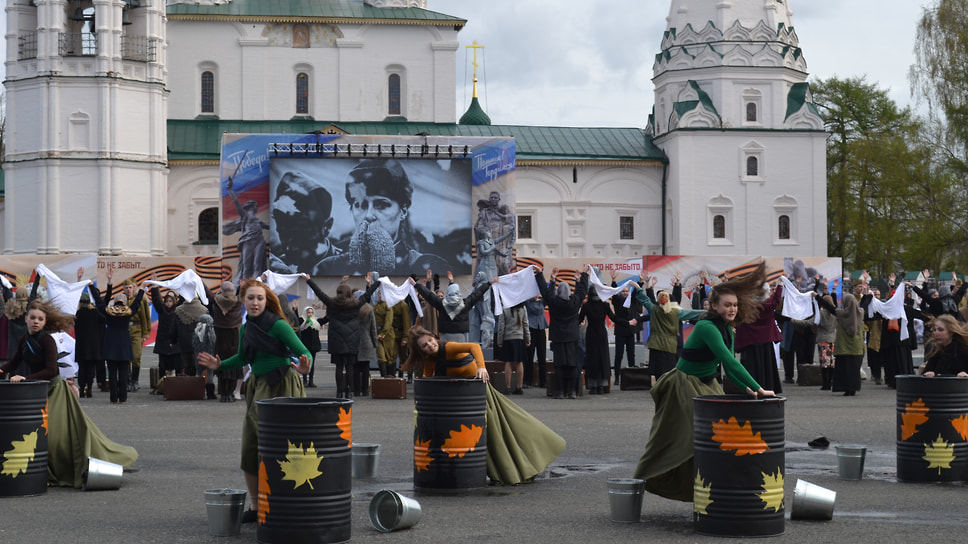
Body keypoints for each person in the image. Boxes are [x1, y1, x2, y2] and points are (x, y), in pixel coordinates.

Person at [632, 262, 775, 501]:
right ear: (715, 306)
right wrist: (760, 388)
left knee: (712, 440)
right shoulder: (708, 326)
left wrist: (749, 390)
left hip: (708, 386)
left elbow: (728, 369)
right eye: (727, 305)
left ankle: (707, 491)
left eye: (735, 305)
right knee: (673, 438)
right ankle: (638, 483)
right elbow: (730, 362)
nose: (732, 309)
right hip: (684, 385)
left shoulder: (727, 329)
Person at [198, 279, 311, 522]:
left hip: (283, 386)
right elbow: (242, 358)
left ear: (266, 300)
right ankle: (257, 506)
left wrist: (303, 367)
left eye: (260, 298)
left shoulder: (279, 325)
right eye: (251, 298)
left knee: (287, 449)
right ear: (243, 300)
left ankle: (292, 504)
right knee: (250, 449)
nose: (255, 302)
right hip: (258, 388)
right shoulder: (245, 328)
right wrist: (219, 365)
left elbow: (305, 352)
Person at [1, 298, 138, 488]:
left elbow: (51, 370)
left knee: (55, 436)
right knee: (46, 435)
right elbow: (14, 362)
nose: (36, 322)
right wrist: (2, 370)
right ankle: (47, 471)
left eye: (40, 319)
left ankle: (62, 470)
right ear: (26, 319)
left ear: (44, 321)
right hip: (39, 391)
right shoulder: (24, 339)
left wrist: (26, 378)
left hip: (56, 391)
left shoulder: (47, 340)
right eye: (32, 318)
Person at [403, 325, 564, 485]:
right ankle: (508, 470)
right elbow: (428, 381)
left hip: (480, 393)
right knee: (489, 436)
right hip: (465, 400)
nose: (430, 345)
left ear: (434, 337)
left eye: (430, 340)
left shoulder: (449, 347)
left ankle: (521, 467)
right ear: (421, 350)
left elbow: (474, 346)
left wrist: (481, 367)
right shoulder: (431, 360)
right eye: (425, 345)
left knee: (498, 432)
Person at [317, 159, 449, 275]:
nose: (368, 216)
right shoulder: (329, 267)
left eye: (381, 205)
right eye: (360, 205)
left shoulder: (427, 267)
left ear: (403, 211)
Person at [305, 273, 379, 399]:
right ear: (350, 293)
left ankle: (339, 391)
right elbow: (367, 296)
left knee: (339, 367)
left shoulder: (331, 303)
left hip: (336, 339)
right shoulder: (355, 304)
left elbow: (319, 292)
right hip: (352, 339)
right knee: (350, 367)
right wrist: (374, 284)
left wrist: (309, 280)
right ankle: (348, 391)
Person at [634, 272, 705, 380]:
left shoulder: (654, 310)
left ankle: (659, 390)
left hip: (656, 346)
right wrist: (712, 312)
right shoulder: (676, 312)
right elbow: (694, 313)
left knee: (658, 373)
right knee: (670, 372)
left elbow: (646, 300)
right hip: (670, 346)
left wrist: (638, 288)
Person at [269, 171, 341, 275]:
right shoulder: (276, 269)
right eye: (282, 232)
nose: (289, 247)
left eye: (301, 232)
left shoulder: (346, 265)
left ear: (327, 227)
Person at [534, 265, 589, 399]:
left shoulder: (554, 302)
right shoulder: (574, 302)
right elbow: (581, 292)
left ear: (558, 292)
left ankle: (559, 391)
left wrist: (545, 276)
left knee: (559, 364)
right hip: (572, 336)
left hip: (558, 337)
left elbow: (545, 291)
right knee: (571, 364)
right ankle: (572, 392)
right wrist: (583, 277)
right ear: (569, 292)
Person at [93, 274, 146, 405]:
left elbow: (99, 302)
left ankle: (113, 396)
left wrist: (91, 286)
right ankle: (123, 397)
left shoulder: (108, 312)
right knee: (123, 373)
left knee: (111, 373)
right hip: (124, 345)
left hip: (110, 344)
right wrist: (142, 288)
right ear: (125, 302)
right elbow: (137, 303)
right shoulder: (128, 312)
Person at [733, 278, 784, 393]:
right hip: (765, 341)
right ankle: (768, 387)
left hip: (749, 341)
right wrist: (779, 286)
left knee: (751, 367)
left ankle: (751, 388)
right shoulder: (768, 305)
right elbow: (776, 300)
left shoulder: (746, 306)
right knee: (767, 366)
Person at [413, 271, 492, 343]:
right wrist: (488, 283)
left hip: (445, 337)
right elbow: (477, 294)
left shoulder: (442, 304)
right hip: (461, 337)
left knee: (447, 356)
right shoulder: (465, 304)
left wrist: (416, 285)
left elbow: (429, 296)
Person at [815, 291, 866, 396]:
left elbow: (829, 307)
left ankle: (846, 388)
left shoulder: (842, 314)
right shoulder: (861, 313)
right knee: (854, 370)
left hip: (844, 348)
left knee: (845, 369)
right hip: (857, 348)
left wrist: (817, 296)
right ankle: (853, 389)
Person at [580, 284, 626, 394]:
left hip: (591, 334)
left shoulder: (586, 306)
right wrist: (627, 323)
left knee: (592, 359)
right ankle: (602, 385)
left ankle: (593, 386)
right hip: (601, 334)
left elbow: (579, 319)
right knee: (602, 359)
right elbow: (614, 318)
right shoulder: (604, 305)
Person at [223, 177, 269, 282]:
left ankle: (258, 284)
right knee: (246, 267)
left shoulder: (258, 221)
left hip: (259, 242)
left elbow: (271, 227)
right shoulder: (245, 216)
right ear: (252, 207)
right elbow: (236, 203)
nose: (256, 207)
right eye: (254, 206)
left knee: (257, 266)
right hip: (247, 242)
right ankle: (243, 287)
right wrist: (230, 190)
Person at [170, 296, 215, 399]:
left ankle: (190, 391)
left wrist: (173, 341)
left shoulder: (179, 310)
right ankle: (209, 392)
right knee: (203, 368)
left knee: (187, 367)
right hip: (201, 344)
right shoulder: (204, 310)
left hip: (184, 343)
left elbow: (174, 327)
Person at [208, 281, 244, 402]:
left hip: (220, 337)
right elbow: (243, 293)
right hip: (234, 337)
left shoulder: (216, 300)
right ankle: (230, 394)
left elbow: (208, 293)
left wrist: (198, 279)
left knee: (221, 364)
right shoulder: (238, 301)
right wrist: (241, 286)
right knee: (233, 365)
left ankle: (223, 394)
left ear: (222, 290)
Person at [74, 291, 105, 398]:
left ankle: (82, 389)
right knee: (91, 368)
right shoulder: (95, 313)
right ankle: (90, 389)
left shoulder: (77, 314)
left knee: (82, 369)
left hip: (81, 346)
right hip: (93, 346)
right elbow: (104, 319)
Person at [123, 278, 151, 392]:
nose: (129, 290)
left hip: (136, 329)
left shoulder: (141, 300)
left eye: (131, 287)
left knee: (136, 356)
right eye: (126, 288)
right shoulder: (122, 300)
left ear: (134, 287)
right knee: (126, 357)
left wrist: (145, 332)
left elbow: (145, 317)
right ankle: (128, 381)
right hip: (125, 330)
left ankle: (135, 380)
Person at [497, 301, 530, 395]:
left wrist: (499, 340)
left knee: (508, 362)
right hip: (519, 338)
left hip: (508, 339)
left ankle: (508, 387)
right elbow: (525, 324)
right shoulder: (523, 308)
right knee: (519, 362)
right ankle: (519, 387)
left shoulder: (504, 309)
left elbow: (501, 326)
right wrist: (528, 339)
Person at [150, 285, 181, 377]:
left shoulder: (178, 310)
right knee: (162, 365)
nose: (168, 303)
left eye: (171, 301)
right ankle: (161, 385)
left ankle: (178, 385)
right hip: (163, 341)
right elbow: (156, 300)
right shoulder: (162, 310)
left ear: (175, 301)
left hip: (175, 342)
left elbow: (183, 299)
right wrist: (155, 288)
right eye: (167, 301)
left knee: (177, 365)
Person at [525, 294, 549, 388]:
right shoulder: (527, 303)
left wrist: (553, 282)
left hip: (541, 329)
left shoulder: (542, 302)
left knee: (542, 357)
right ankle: (527, 380)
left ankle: (543, 381)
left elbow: (548, 296)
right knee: (529, 356)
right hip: (531, 329)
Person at [355, 301, 378, 396]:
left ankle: (356, 390)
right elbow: (373, 328)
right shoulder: (369, 310)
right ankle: (365, 390)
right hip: (366, 340)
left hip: (355, 340)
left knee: (355, 368)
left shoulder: (353, 310)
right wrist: (375, 342)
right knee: (365, 368)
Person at [297, 307, 323, 387]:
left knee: (312, 363)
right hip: (305, 346)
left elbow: (325, 319)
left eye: (311, 312)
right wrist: (295, 309)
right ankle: (304, 380)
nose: (310, 314)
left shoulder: (315, 322)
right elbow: (297, 322)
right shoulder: (302, 320)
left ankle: (311, 380)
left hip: (314, 346)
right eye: (308, 312)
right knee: (305, 363)